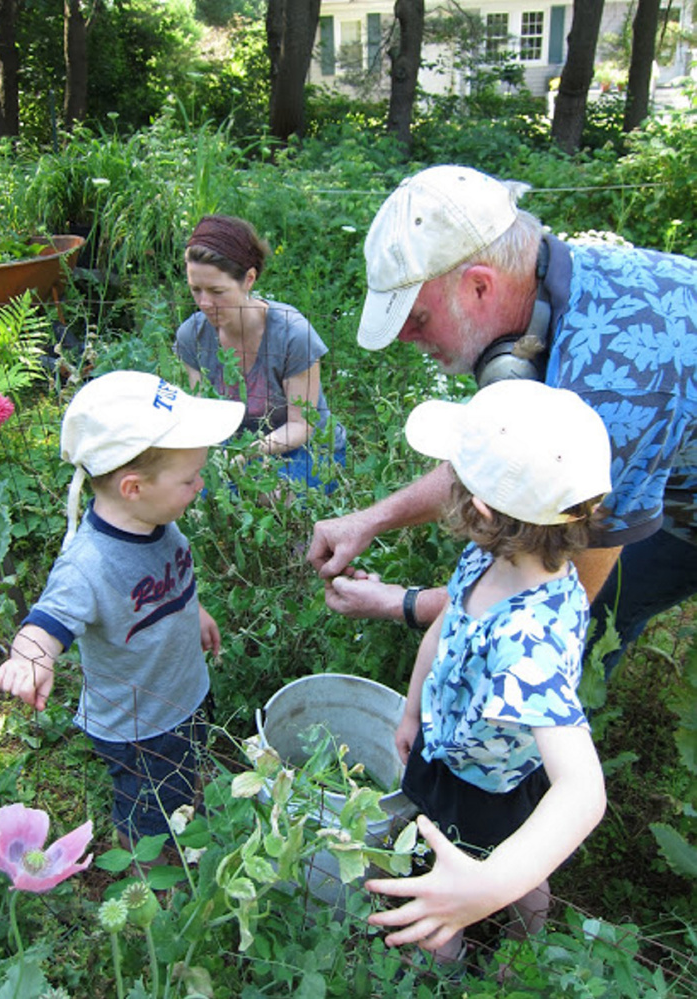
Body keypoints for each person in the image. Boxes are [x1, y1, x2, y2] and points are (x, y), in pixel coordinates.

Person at [307, 164, 697, 675]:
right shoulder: (557, 288)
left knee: (590, 620)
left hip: (683, 511)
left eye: (418, 318)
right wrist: (371, 520)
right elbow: (496, 458)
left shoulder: (608, 390)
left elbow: (554, 592)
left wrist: (400, 603)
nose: (405, 336)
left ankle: (548, 729)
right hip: (659, 449)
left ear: (479, 288)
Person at [366, 379, 609, 962]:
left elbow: (583, 791)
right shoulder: (492, 557)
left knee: (457, 884)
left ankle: (458, 960)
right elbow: (445, 625)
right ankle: (518, 920)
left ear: (478, 507)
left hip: (485, 785)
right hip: (453, 749)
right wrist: (411, 707)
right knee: (478, 840)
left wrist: (482, 888)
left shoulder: (530, 642)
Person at [0, 371, 245, 850]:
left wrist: (195, 611)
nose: (200, 486)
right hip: (139, 728)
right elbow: (48, 621)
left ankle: (184, 793)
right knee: (147, 811)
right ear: (133, 487)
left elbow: (171, 578)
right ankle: (150, 875)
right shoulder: (88, 564)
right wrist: (30, 657)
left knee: (183, 766)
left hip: (182, 694)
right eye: (190, 478)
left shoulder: (156, 521)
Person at [174, 214, 346, 494]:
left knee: (272, 496)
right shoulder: (191, 336)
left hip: (306, 450)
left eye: (217, 291)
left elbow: (301, 426)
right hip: (233, 449)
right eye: (196, 290)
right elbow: (201, 412)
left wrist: (247, 454)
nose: (205, 303)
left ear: (249, 279)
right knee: (188, 492)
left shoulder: (293, 334)